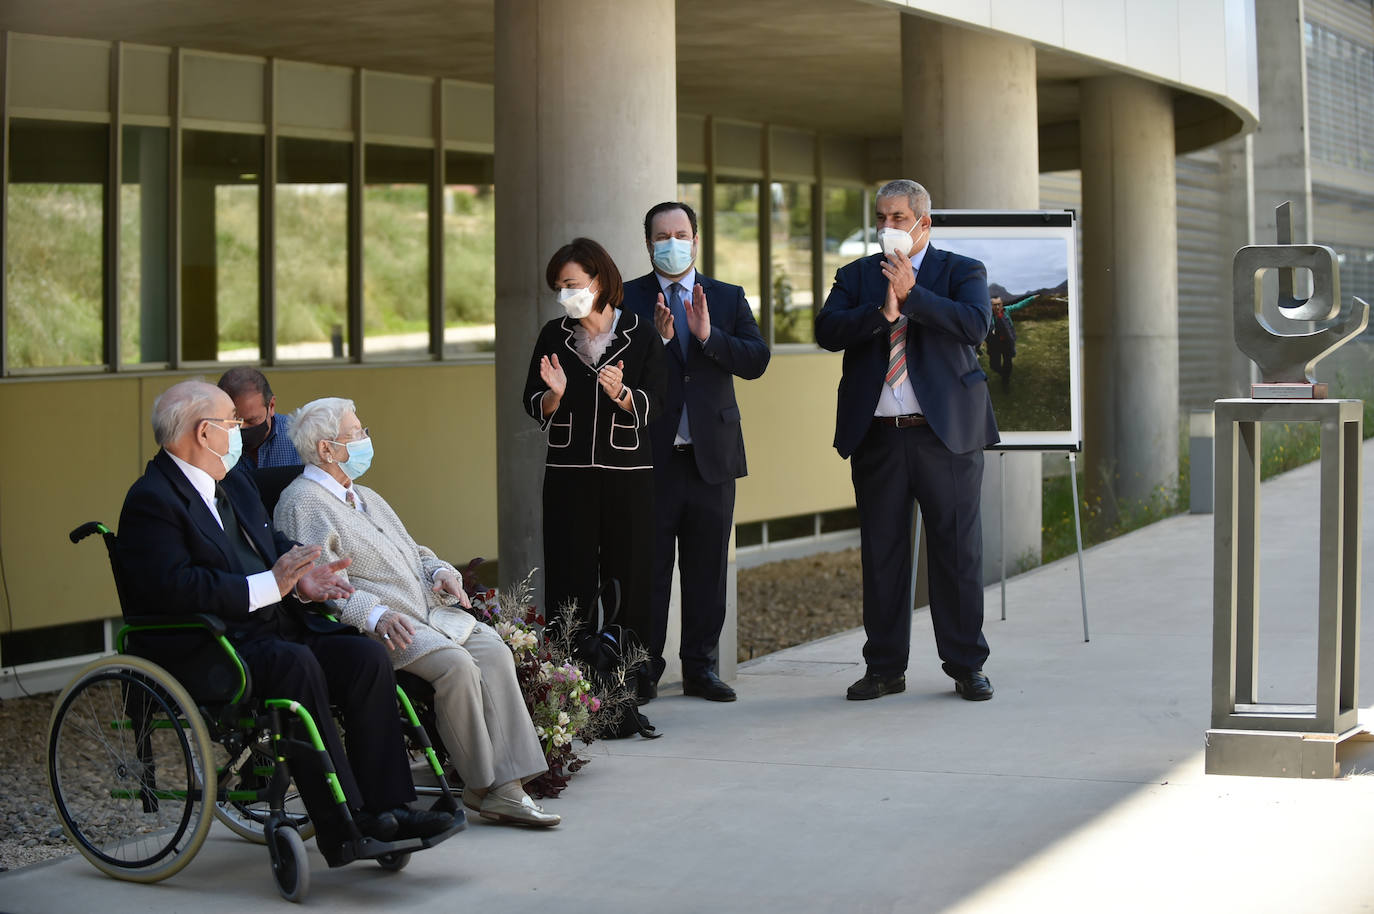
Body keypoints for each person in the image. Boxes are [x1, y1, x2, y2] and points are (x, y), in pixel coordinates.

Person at [115, 380, 453, 868]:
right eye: (233, 422)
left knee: (363, 656)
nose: (241, 432)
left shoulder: (231, 481)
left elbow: (270, 543)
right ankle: (346, 825)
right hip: (214, 646)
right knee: (297, 667)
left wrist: (305, 580)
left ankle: (391, 807)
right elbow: (176, 589)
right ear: (205, 432)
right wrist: (271, 586)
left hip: (273, 628)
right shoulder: (151, 500)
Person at [274, 397, 560, 828]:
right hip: (384, 624)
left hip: (430, 610)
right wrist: (374, 614)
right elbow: (323, 585)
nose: (367, 439)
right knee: (458, 667)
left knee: (497, 651)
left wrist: (443, 570)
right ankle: (481, 785)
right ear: (326, 450)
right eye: (357, 434)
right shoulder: (302, 503)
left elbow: (414, 549)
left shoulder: (363, 495)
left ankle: (511, 785)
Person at [814, 179, 999, 703]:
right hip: (878, 438)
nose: (887, 228)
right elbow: (827, 330)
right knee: (883, 554)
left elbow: (974, 325)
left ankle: (966, 665)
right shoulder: (855, 276)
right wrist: (882, 314)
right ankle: (885, 668)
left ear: (924, 223)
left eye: (898, 218)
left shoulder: (962, 270)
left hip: (947, 438)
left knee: (957, 554)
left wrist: (913, 296)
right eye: (881, 218)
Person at [621, 201, 770, 703]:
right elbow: (616, 372)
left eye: (680, 233)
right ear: (648, 244)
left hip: (712, 458)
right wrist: (659, 345)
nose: (671, 243)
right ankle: (645, 671)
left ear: (696, 239)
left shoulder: (726, 297)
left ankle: (700, 668)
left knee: (708, 570)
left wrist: (707, 335)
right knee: (650, 571)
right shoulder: (627, 299)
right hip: (651, 460)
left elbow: (756, 360)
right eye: (661, 235)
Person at [522, 237, 665, 700]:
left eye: (572, 284)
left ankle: (631, 679)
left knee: (631, 571)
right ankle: (569, 680)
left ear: (599, 281)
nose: (565, 294)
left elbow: (658, 402)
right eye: (559, 287)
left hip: (628, 474)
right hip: (568, 474)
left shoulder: (640, 333)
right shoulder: (553, 334)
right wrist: (554, 396)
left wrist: (622, 394)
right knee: (568, 571)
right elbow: (531, 401)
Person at [217, 366, 302, 468]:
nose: (241, 427)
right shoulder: (210, 443)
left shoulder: (301, 437)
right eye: (234, 421)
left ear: (271, 406)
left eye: (252, 420)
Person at [984, 296, 1016, 389]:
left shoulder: (1006, 311)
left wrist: (1032, 298)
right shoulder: (988, 316)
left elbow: (1018, 305)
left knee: (1008, 363)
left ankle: (1005, 381)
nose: (997, 307)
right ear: (990, 306)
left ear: (1002, 304)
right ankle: (1004, 374)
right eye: (994, 305)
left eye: (999, 304)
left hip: (1007, 343)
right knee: (994, 365)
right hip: (995, 345)